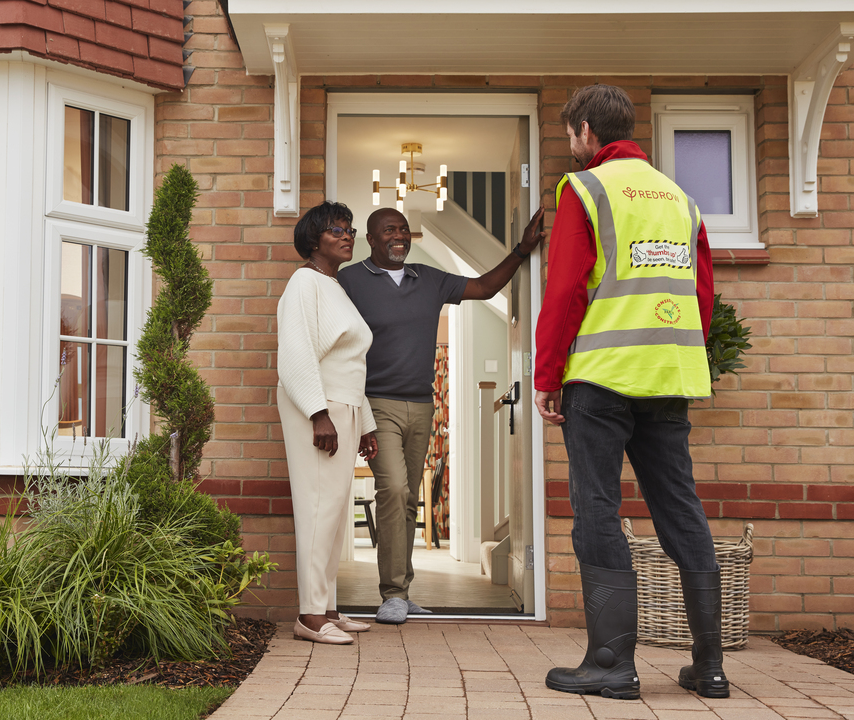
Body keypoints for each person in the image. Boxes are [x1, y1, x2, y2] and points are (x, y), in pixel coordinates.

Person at [533, 84, 725, 700]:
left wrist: (547, 378)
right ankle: (710, 667)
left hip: (604, 376)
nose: (571, 147)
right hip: (668, 378)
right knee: (680, 509)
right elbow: (701, 298)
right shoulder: (681, 198)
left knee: (597, 510)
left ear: (588, 131)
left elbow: (564, 292)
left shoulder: (586, 190)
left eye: (569, 136)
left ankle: (612, 664)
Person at [338, 205, 545, 625]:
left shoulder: (429, 279)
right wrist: (354, 413)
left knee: (409, 497)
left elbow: (486, 287)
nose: (399, 235)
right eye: (389, 230)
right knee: (394, 490)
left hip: (422, 401)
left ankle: (403, 590)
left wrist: (522, 250)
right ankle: (392, 594)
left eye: (403, 229)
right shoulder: (349, 280)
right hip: (376, 402)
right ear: (372, 239)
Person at [277, 200, 381, 645]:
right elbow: (296, 352)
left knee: (334, 513)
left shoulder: (333, 287)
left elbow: (351, 362)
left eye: (350, 229)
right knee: (318, 509)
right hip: (318, 409)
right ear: (313, 239)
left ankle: (328, 609)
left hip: (344, 408)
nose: (347, 235)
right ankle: (309, 616)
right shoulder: (303, 282)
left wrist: (367, 424)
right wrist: (319, 414)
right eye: (336, 229)